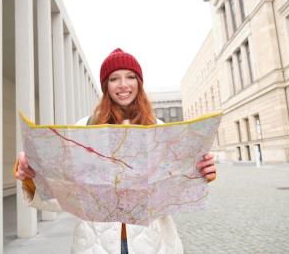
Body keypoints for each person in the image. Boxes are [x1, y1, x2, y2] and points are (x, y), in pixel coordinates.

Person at [15, 48, 217, 254]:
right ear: (105, 86)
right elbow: (66, 196)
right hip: (95, 245)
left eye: (130, 77)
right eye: (114, 78)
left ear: (139, 82)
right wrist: (32, 177)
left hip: (154, 242)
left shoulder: (159, 128)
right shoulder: (83, 128)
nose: (123, 85)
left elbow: (173, 189)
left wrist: (198, 173)